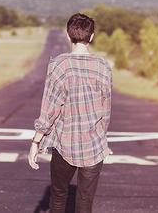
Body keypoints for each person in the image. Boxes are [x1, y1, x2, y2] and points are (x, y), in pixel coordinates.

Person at [28, 13, 113, 213]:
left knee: (58, 196)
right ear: (91, 37)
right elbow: (106, 110)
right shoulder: (103, 67)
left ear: (68, 36)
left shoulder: (60, 65)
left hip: (64, 145)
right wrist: (103, 139)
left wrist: (36, 142)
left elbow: (50, 109)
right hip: (94, 146)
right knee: (85, 202)